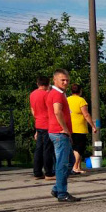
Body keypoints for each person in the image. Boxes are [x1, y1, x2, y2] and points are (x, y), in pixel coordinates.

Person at [47, 69, 80, 202]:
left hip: (59, 133)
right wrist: (65, 129)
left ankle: (57, 188)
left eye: (67, 80)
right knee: (63, 163)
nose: (66, 82)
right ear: (55, 80)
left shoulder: (59, 93)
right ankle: (62, 193)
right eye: (62, 80)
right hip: (59, 132)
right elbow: (57, 112)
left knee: (71, 161)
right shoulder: (57, 94)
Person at [67, 84, 98, 174]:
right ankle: (75, 167)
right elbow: (86, 114)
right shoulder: (81, 100)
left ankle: (78, 167)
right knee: (78, 148)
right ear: (80, 91)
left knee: (75, 148)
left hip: (69, 127)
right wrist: (93, 126)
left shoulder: (67, 99)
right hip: (79, 128)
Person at [29, 76, 55, 180]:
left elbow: (33, 110)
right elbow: (51, 110)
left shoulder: (32, 94)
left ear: (37, 83)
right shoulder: (46, 95)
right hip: (47, 123)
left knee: (38, 149)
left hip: (38, 123)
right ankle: (48, 172)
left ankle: (37, 172)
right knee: (47, 149)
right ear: (48, 83)